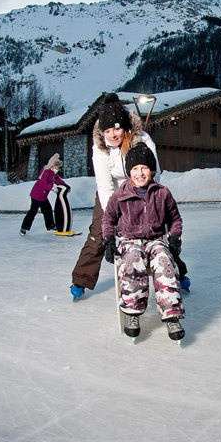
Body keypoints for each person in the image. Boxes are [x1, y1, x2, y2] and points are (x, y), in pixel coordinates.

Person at [69, 94, 160, 301]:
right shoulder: (100, 146)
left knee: (154, 231)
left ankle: (173, 273)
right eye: (107, 130)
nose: (112, 135)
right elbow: (104, 183)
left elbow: (155, 173)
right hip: (110, 192)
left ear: (125, 126)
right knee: (99, 232)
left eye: (116, 129)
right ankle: (81, 280)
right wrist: (114, 213)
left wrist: (148, 201)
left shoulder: (142, 139)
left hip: (141, 187)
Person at [102, 142, 185, 341]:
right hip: (129, 240)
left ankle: (171, 315)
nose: (140, 173)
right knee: (132, 260)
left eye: (145, 168)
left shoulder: (162, 193)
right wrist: (108, 240)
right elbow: (108, 219)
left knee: (164, 260)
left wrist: (174, 238)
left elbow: (175, 219)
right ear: (129, 172)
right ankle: (132, 313)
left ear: (152, 171)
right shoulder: (119, 195)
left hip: (155, 239)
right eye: (135, 169)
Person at [20, 153, 68, 235]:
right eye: (57, 167)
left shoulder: (53, 173)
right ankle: (24, 228)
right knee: (33, 211)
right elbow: (43, 183)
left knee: (48, 210)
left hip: (43, 197)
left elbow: (57, 180)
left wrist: (65, 185)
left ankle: (50, 225)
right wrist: (52, 188)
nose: (58, 169)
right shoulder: (46, 171)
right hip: (36, 195)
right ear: (52, 165)